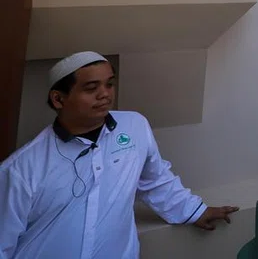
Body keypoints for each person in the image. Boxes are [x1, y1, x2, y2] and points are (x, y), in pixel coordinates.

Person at [0, 52, 238, 259]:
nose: (104, 94)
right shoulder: (21, 168)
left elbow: (155, 180)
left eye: (109, 84)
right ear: (58, 99)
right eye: (91, 88)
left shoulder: (134, 126)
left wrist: (194, 211)